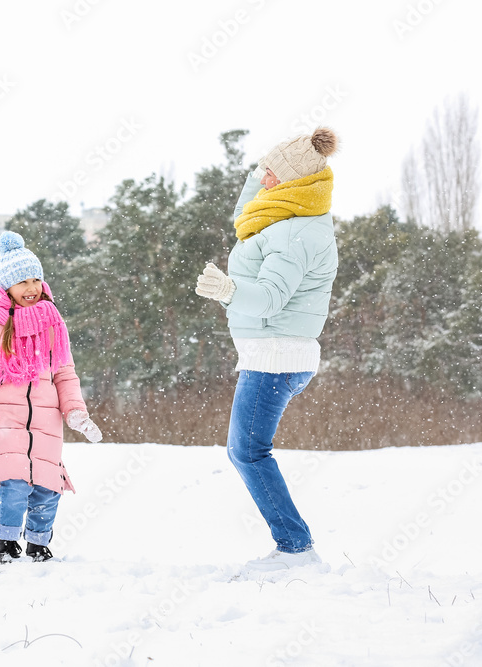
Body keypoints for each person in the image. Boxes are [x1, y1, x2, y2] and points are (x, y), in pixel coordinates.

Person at [195, 127, 339, 571]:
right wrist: (264, 168)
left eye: (271, 174)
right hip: (272, 354)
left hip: (276, 356)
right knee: (248, 450)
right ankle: (295, 547)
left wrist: (227, 289)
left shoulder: (294, 234)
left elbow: (271, 297)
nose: (264, 180)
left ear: (291, 183)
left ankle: (296, 549)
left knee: (248, 451)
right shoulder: (282, 219)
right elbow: (247, 210)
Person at [0, 231, 102, 565]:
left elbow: (64, 374)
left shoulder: (53, 324)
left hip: (46, 422)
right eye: (22, 282)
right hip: (2, 421)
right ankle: (6, 543)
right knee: (16, 483)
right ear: (6, 288)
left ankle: (39, 544)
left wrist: (76, 412)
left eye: (35, 279)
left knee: (48, 486)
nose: (31, 288)